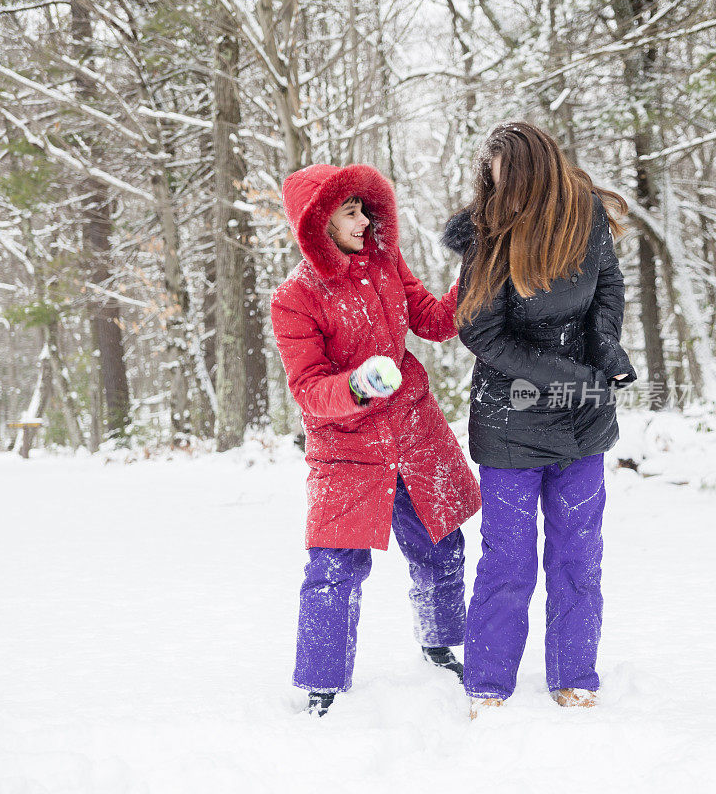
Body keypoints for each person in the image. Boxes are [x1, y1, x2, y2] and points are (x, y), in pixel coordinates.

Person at [271, 163, 482, 716]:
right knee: (333, 569)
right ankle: (323, 683)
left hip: (413, 429)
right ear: (319, 223)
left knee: (442, 544)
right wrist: (357, 387)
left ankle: (442, 647)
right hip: (347, 448)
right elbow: (310, 389)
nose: (364, 220)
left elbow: (436, 321)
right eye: (350, 211)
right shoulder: (295, 297)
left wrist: (473, 264)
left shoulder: (386, 264)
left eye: (366, 208)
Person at [441, 122, 637, 719]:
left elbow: (608, 287)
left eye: (513, 184)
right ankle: (488, 682)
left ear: (540, 177)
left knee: (579, 553)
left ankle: (575, 674)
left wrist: (605, 351)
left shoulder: (586, 218)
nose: (504, 197)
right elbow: (479, 329)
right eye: (494, 184)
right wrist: (562, 378)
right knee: (509, 559)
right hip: (511, 418)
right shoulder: (488, 235)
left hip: (584, 422)